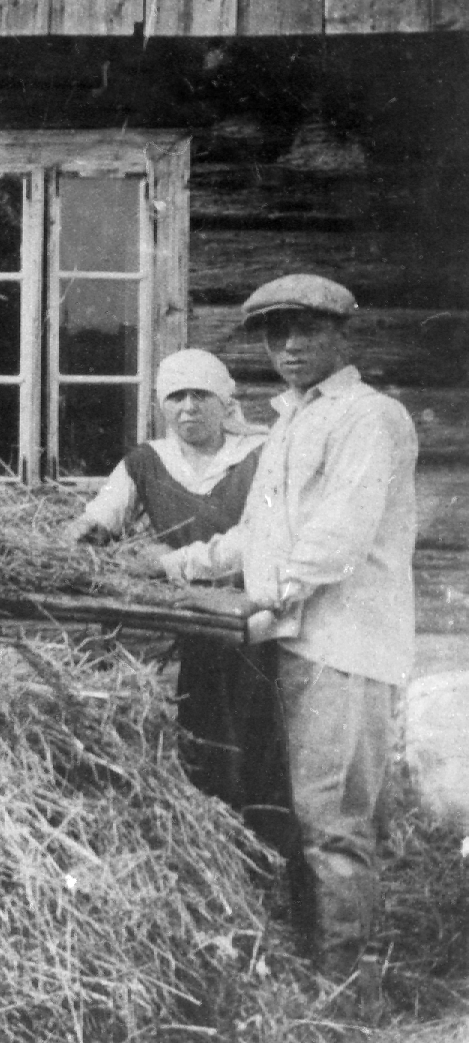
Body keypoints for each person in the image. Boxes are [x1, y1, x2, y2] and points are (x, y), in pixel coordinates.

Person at [155, 274, 418, 986]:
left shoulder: (369, 418)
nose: (291, 345)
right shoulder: (293, 420)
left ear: (342, 333)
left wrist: (264, 600)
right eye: (276, 333)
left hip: (344, 647)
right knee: (303, 812)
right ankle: (321, 965)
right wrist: (182, 564)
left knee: (335, 826)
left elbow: (336, 538)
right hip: (295, 642)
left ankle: (344, 992)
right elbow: (262, 531)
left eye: (306, 328)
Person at [63, 350, 282, 830]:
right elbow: (101, 518)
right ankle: (216, 830)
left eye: (200, 395)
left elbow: (267, 536)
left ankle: (265, 838)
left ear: (224, 401)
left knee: (262, 734)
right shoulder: (148, 462)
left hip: (256, 614)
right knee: (202, 732)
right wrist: (80, 534)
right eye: (175, 397)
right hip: (193, 618)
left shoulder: (262, 455)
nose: (187, 408)